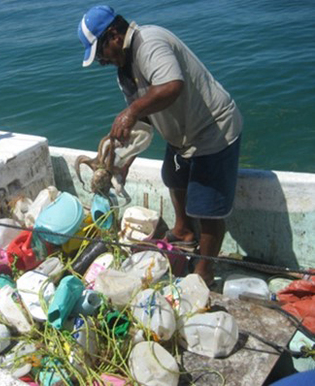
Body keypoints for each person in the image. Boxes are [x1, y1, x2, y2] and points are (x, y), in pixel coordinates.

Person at [78, 6, 243, 285]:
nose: (101, 61)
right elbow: (143, 121)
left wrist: (129, 113)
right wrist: (124, 161)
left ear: (114, 35)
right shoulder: (124, 70)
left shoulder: (149, 42)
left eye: (100, 53)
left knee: (207, 208)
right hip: (181, 136)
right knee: (173, 176)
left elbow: (171, 86)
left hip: (211, 130)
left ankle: (204, 271)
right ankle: (183, 231)